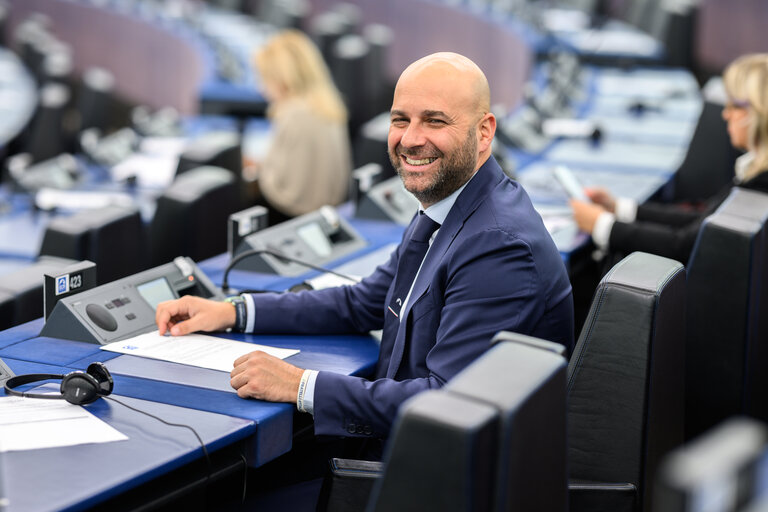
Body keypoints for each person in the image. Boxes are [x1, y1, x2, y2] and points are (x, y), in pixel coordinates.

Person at [156, 52, 574, 454]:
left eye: (435, 121)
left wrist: (300, 385)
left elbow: (446, 401)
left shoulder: (497, 243)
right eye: (400, 120)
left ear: (484, 131)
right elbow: (364, 302)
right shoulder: (451, 204)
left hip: (439, 480)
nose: (411, 139)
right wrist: (233, 312)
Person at [570, 53, 768, 264]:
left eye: (733, 106)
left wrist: (602, 224)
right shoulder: (755, 171)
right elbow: (700, 222)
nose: (725, 114)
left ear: (757, 112)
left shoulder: (758, 185)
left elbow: (684, 245)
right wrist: (620, 208)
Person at [244, 29, 351, 224]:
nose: (262, 88)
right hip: (327, 214)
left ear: (282, 79)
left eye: (265, 79)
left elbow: (286, 193)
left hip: (293, 219)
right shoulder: (328, 104)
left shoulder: (294, 114)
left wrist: (259, 171)